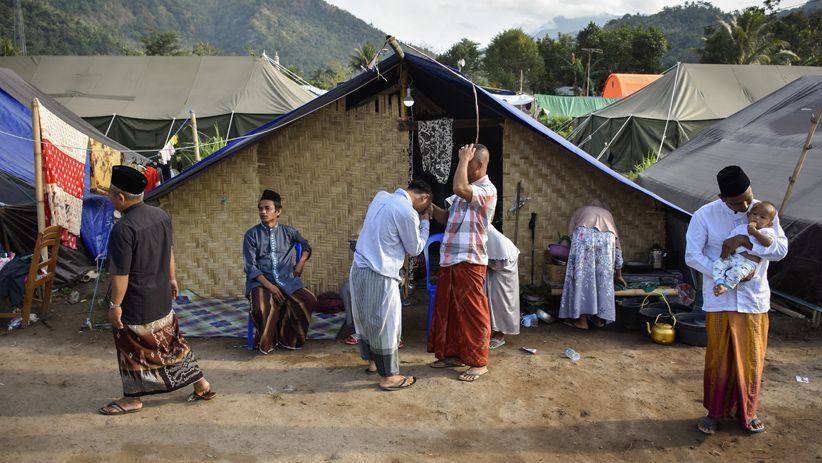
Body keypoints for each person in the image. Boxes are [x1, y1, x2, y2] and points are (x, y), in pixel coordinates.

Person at [99, 166, 215, 416]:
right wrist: (172, 278)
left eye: (111, 194)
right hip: (162, 297)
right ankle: (201, 383)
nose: (109, 198)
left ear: (121, 197)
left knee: (132, 350)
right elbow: (170, 251)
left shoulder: (123, 229)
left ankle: (132, 398)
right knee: (172, 344)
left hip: (136, 303)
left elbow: (120, 274)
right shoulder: (161, 216)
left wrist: (115, 306)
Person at [686, 166, 788, 435]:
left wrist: (747, 238)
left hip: (753, 299)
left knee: (752, 359)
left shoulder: (764, 212)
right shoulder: (704, 216)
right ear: (721, 197)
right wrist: (726, 275)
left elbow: (780, 250)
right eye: (736, 202)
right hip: (720, 299)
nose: (745, 206)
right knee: (719, 359)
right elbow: (693, 255)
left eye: (748, 197)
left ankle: (748, 413)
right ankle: (714, 412)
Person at [349, 180, 433, 391]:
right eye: (427, 205)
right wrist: (425, 223)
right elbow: (414, 248)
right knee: (386, 324)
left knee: (366, 319)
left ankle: (373, 362)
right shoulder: (407, 212)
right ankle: (389, 377)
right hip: (381, 272)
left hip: (359, 268)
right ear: (424, 198)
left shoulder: (381, 197)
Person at [428, 143, 497, 382]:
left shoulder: (487, 189)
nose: (464, 165)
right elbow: (447, 218)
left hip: (470, 258)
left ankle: (479, 362)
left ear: (478, 165)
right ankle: (453, 354)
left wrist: (463, 159)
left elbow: (459, 187)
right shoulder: (463, 193)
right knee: (450, 311)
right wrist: (427, 204)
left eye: (468, 162)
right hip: (451, 258)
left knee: (473, 312)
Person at [243, 190, 317, 353]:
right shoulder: (251, 235)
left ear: (278, 211)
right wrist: (270, 286)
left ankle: (288, 338)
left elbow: (306, 246)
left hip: (286, 279)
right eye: (260, 208)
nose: (263, 212)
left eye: (267, 208)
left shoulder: (289, 232)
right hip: (261, 282)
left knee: (308, 300)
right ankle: (270, 340)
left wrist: (301, 263)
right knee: (262, 308)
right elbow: (250, 266)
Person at [559, 199, 627, 329]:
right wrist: (619, 274)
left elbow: (572, 236)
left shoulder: (581, 211)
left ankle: (582, 321)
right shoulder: (608, 214)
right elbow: (618, 248)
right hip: (607, 237)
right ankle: (600, 319)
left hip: (584, 235)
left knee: (582, 278)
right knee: (603, 278)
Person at [713, 201, 778, 296]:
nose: (757, 218)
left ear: (769, 224)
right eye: (754, 214)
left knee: (737, 272)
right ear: (748, 216)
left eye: (762, 217)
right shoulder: (741, 228)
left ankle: (726, 286)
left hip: (749, 262)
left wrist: (755, 232)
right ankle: (719, 281)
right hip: (734, 257)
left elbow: (768, 243)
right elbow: (729, 241)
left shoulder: (767, 231)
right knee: (718, 263)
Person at [485, 224, 520, 350]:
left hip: (504, 267)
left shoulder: (496, 240)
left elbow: (499, 261)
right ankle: (494, 330)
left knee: (503, 302)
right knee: (492, 300)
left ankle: (501, 334)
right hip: (496, 265)